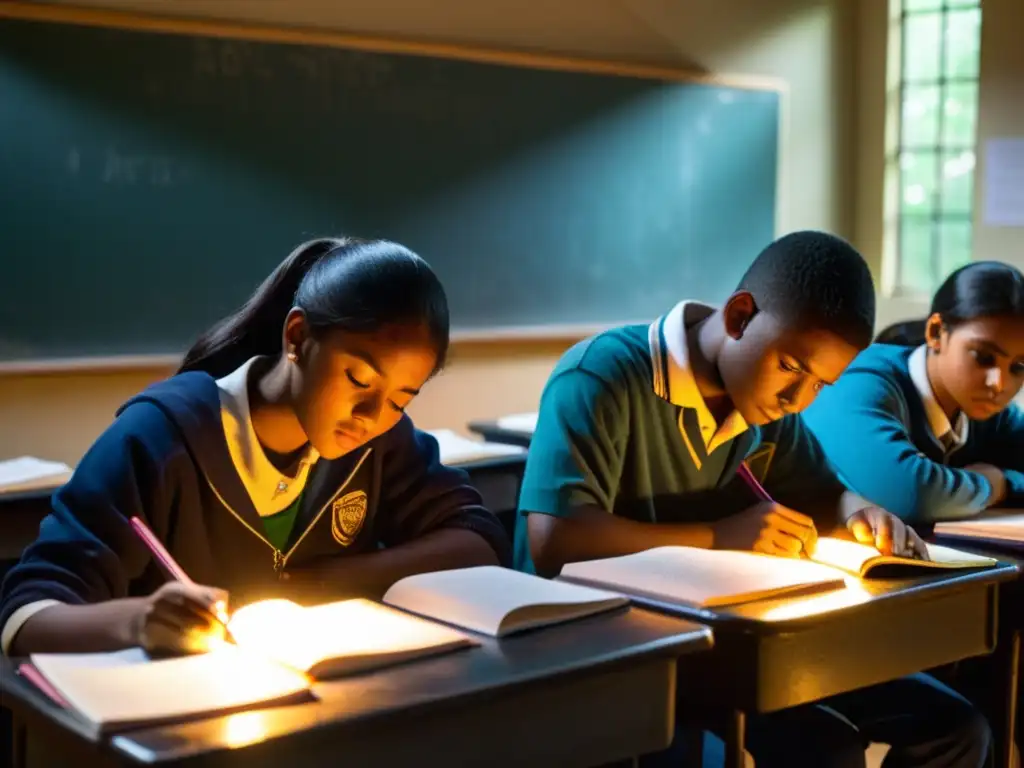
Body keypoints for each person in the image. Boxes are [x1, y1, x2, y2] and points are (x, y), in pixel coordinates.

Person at [515, 231, 990, 768]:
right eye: (791, 367)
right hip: (601, 654)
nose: (797, 398)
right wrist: (720, 538)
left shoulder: (766, 411)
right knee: (827, 751)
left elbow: (825, 491)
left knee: (957, 728)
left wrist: (861, 511)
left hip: (723, 644)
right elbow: (556, 540)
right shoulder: (604, 375)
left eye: (819, 385)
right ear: (740, 316)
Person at [0, 237, 510, 658]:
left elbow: (477, 539)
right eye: (358, 379)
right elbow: (27, 615)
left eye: (401, 399)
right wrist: (139, 621)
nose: (372, 416)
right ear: (297, 337)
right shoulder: (160, 438)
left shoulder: (377, 439)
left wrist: (315, 585)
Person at [804, 260, 1024, 523]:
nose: (998, 384)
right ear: (935, 332)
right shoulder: (861, 381)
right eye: (984, 357)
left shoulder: (989, 412)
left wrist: (1007, 482)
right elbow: (910, 493)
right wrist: (993, 485)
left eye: (1019, 367)